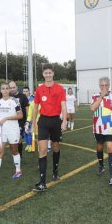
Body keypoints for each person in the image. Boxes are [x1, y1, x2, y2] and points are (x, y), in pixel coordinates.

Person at [31, 63, 67, 192]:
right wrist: (33, 122)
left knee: (56, 147)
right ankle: (42, 182)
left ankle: (55, 171)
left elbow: (63, 106)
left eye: (50, 73)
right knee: (42, 150)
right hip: (44, 121)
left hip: (56, 121)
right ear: (43, 74)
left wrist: (64, 121)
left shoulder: (59, 88)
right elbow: (35, 107)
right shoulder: (39, 90)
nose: (48, 75)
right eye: (45, 73)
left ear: (53, 74)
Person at [90, 77, 112, 186]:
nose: (104, 87)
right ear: (99, 86)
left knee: (111, 148)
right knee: (99, 147)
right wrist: (101, 96)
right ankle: (101, 165)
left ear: (109, 85)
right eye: (102, 85)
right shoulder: (95, 96)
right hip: (98, 128)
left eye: (106, 85)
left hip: (110, 128)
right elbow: (93, 108)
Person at [9, 81, 30, 160]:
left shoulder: (23, 96)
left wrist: (28, 120)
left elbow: (27, 108)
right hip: (10, 122)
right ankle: (15, 155)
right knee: (12, 141)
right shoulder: (7, 97)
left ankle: (19, 156)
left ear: (17, 87)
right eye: (10, 88)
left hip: (21, 121)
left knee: (19, 139)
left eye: (14, 87)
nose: (12, 89)